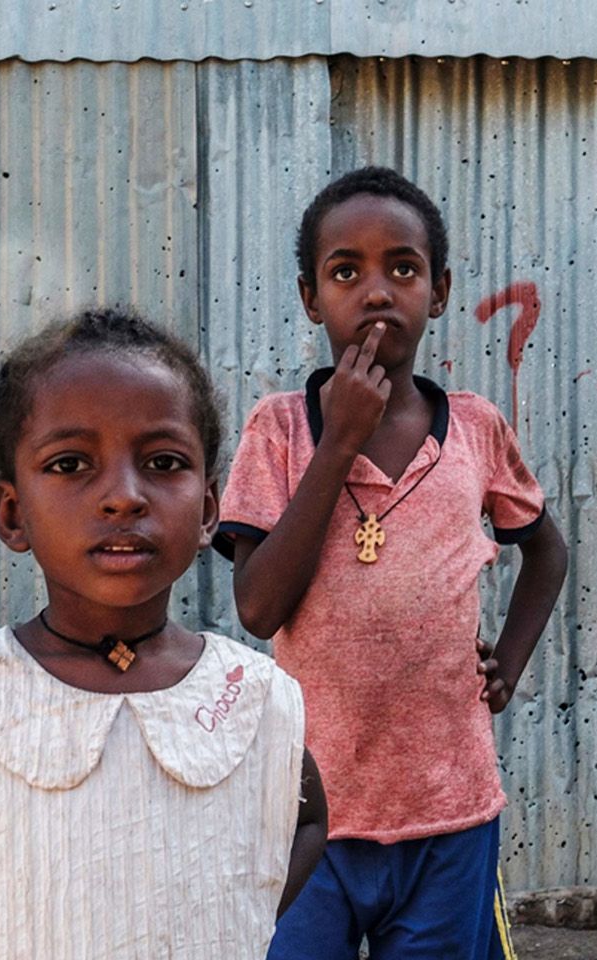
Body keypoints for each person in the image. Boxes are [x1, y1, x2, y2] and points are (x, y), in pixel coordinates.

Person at [0, 307, 328, 960]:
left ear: (210, 509)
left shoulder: (249, 694)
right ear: (13, 514)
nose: (124, 496)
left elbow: (309, 820)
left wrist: (237, 915)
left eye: (162, 462)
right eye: (71, 465)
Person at [218, 167, 570, 960]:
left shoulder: (475, 430)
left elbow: (546, 551)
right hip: (309, 815)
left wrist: (507, 662)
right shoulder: (279, 430)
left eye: (402, 269)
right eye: (347, 272)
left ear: (439, 291)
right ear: (312, 298)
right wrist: (339, 438)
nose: (376, 292)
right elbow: (258, 608)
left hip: (449, 809)